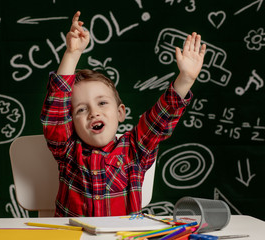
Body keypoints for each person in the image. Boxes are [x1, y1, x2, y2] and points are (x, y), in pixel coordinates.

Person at [40, 11, 206, 217]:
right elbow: (55, 113)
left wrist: (186, 79)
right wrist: (72, 54)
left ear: (120, 113)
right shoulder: (67, 151)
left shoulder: (135, 150)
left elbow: (160, 119)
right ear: (71, 121)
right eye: (81, 109)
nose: (93, 112)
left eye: (102, 102)